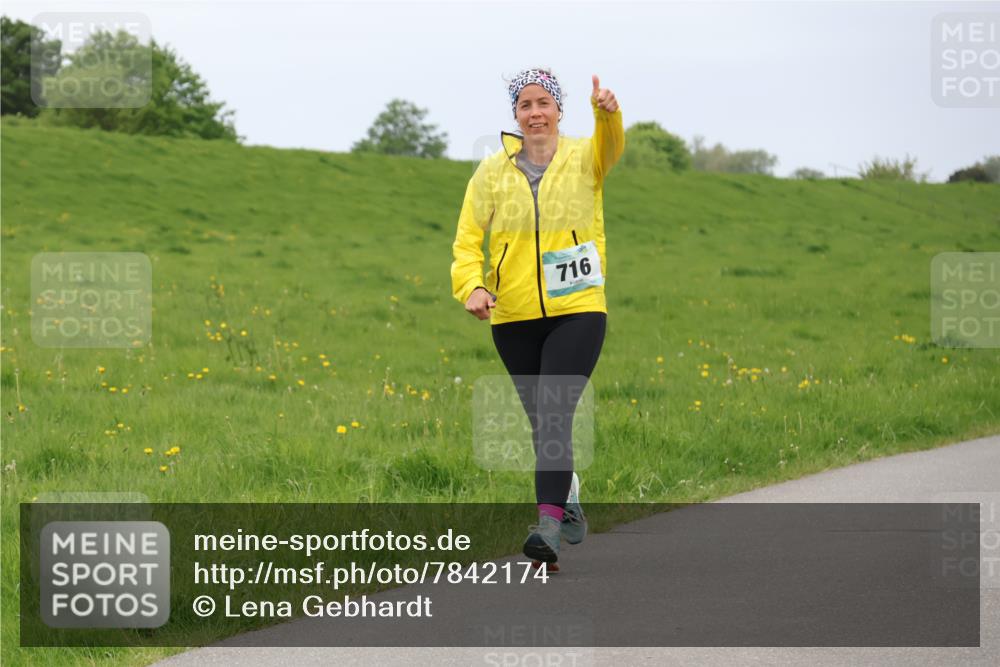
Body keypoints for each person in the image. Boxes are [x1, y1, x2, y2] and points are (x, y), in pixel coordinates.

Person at [450, 67, 624, 567]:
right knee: (544, 425)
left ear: (559, 110)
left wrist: (607, 115)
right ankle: (567, 498)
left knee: (553, 412)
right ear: (515, 114)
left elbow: (612, 146)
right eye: (525, 105)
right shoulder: (491, 172)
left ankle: (546, 530)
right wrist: (472, 286)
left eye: (543, 103)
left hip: (578, 309)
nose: (535, 113)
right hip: (514, 315)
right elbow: (467, 240)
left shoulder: (586, 158)